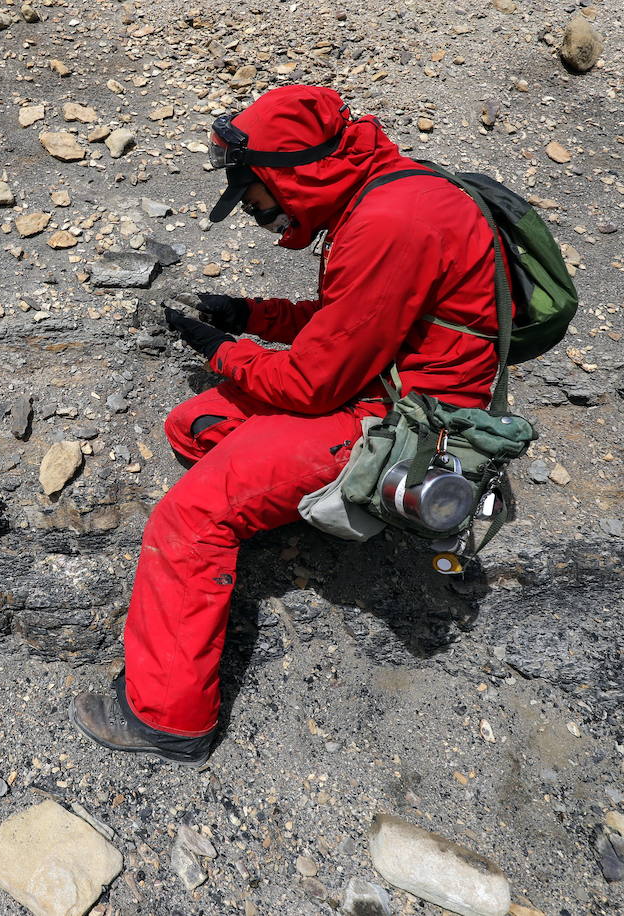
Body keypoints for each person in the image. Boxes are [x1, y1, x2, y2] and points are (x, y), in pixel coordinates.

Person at [70, 84, 509, 766]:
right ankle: (285, 491)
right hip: (376, 387)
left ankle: (167, 719)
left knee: (190, 518)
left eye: (256, 201)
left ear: (287, 172)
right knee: (195, 424)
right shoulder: (388, 195)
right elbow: (354, 322)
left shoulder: (392, 221)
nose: (258, 219)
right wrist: (248, 315)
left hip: (403, 426)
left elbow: (311, 383)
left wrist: (223, 351)